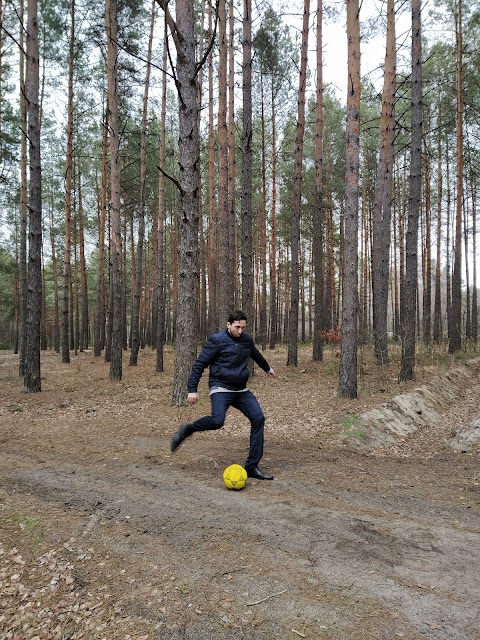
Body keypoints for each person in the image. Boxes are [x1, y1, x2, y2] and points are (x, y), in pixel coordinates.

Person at [170, 310, 276, 480]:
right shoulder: (216, 340)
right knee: (217, 421)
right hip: (220, 387)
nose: (240, 331)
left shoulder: (246, 340)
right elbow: (200, 364)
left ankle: (252, 466)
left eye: (243, 327)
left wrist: (267, 368)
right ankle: (188, 429)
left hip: (241, 390)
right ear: (228, 325)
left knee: (258, 418)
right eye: (237, 327)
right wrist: (192, 389)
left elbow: (255, 354)